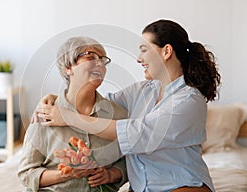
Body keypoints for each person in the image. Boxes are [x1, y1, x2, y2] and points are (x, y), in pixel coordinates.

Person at [34, 19, 221, 192]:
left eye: (144, 50)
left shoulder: (189, 101)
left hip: (182, 186)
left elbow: (136, 133)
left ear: (166, 51)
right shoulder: (142, 91)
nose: (139, 58)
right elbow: (101, 106)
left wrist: (68, 117)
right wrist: (58, 99)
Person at [18, 36, 129, 192]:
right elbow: (26, 174)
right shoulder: (44, 114)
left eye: (103, 60)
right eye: (90, 57)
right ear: (68, 68)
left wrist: (112, 174)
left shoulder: (118, 115)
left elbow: (129, 161)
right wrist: (66, 174)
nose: (100, 63)